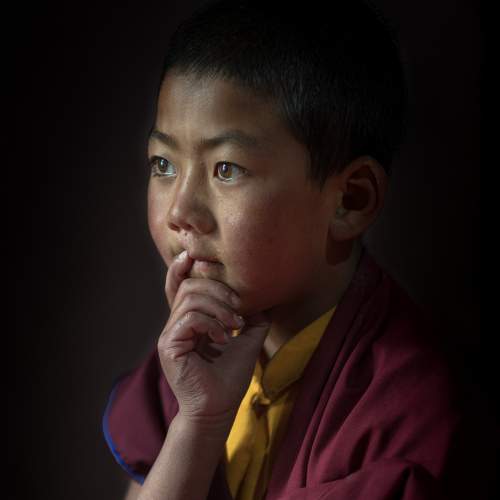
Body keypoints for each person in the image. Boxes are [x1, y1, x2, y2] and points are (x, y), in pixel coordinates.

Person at [102, 1, 489, 498]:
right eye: (163, 164)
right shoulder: (191, 353)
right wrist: (197, 423)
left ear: (350, 200)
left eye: (226, 169)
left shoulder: (407, 414)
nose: (180, 210)